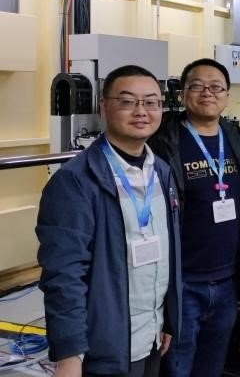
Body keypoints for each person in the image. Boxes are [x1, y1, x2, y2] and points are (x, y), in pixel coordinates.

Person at [37, 65, 182, 377]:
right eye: (127, 101)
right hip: (104, 347)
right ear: (104, 106)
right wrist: (69, 355)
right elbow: (64, 274)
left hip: (152, 336)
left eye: (151, 102)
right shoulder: (76, 181)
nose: (141, 111)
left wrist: (169, 319)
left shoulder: (161, 171)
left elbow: (170, 253)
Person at [148, 58, 240, 377]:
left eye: (216, 87)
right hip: (182, 282)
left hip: (226, 279)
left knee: (212, 366)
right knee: (177, 366)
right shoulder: (162, 141)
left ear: (227, 96)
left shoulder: (235, 138)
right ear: (182, 94)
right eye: (197, 86)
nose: (207, 92)